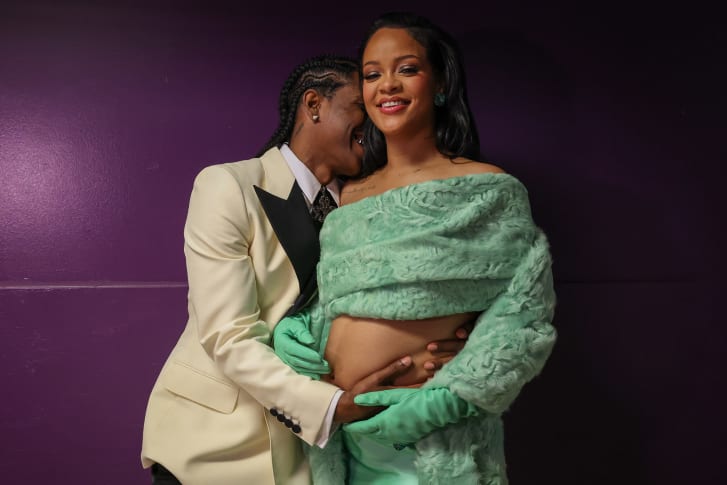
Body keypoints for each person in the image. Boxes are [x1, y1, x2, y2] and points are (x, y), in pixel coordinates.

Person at [140, 54, 467, 485]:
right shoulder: (228, 186)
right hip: (212, 449)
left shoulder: (371, 206)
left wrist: (451, 343)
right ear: (313, 104)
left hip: (313, 460)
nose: (376, 126)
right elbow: (228, 334)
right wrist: (333, 405)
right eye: (361, 109)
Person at [273, 12, 557, 484]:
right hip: (344, 432)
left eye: (406, 69)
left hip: (432, 439)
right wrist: (297, 330)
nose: (386, 85)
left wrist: (443, 401)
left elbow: (524, 315)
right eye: (372, 74)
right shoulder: (349, 195)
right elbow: (340, 295)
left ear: (440, 83)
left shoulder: (489, 189)